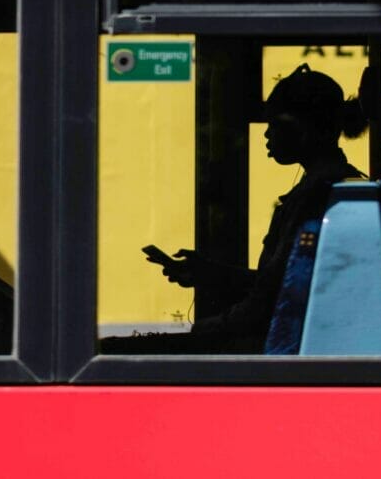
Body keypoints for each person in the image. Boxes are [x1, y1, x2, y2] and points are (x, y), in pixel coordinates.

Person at [102, 64, 366, 354]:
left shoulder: (318, 195)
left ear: (299, 129)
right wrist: (210, 274)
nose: (266, 135)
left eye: (273, 124)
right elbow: (278, 286)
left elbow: (267, 305)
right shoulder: (329, 185)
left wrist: (194, 333)